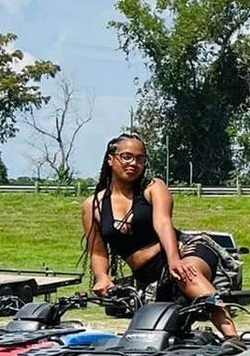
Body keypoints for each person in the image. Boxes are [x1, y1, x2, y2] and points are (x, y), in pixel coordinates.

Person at [83, 132, 238, 339]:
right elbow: (98, 251)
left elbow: (163, 222)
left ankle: (233, 338)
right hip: (148, 274)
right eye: (127, 157)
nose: (134, 163)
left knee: (187, 274)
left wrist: (174, 260)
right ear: (111, 159)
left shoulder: (153, 187)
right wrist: (102, 277)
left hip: (185, 250)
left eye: (140, 159)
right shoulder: (93, 205)